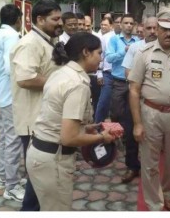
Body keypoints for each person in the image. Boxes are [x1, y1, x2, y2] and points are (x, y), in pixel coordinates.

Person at [27, 33, 117, 211]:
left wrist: (88, 127)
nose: (102, 58)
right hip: (54, 159)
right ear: (86, 52)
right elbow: (68, 138)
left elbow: (58, 117)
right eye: (99, 53)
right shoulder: (77, 84)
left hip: (40, 152)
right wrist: (102, 138)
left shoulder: (60, 73)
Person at [128, 11, 170, 211]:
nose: (168, 34)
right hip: (151, 114)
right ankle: (154, 202)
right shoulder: (144, 53)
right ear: (158, 29)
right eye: (164, 29)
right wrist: (137, 123)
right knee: (149, 162)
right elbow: (134, 90)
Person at [9, 0, 63, 211]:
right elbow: (25, 79)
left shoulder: (47, 41)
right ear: (40, 20)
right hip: (34, 122)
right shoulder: (30, 44)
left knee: (44, 177)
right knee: (38, 177)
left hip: (46, 119)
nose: (60, 23)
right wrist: (62, 82)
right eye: (55, 19)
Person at [105, 12, 140, 183]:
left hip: (134, 83)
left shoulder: (139, 43)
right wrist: (124, 52)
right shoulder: (114, 40)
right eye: (125, 23)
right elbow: (109, 58)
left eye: (131, 23)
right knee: (117, 113)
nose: (128, 26)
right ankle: (118, 139)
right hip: (119, 81)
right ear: (120, 25)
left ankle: (130, 148)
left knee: (132, 117)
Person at [0, 4, 25, 202]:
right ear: (17, 20)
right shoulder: (12, 36)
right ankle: (11, 185)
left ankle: (1, 176)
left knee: (5, 137)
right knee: (13, 139)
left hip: (1, 92)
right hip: (9, 94)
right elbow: (10, 67)